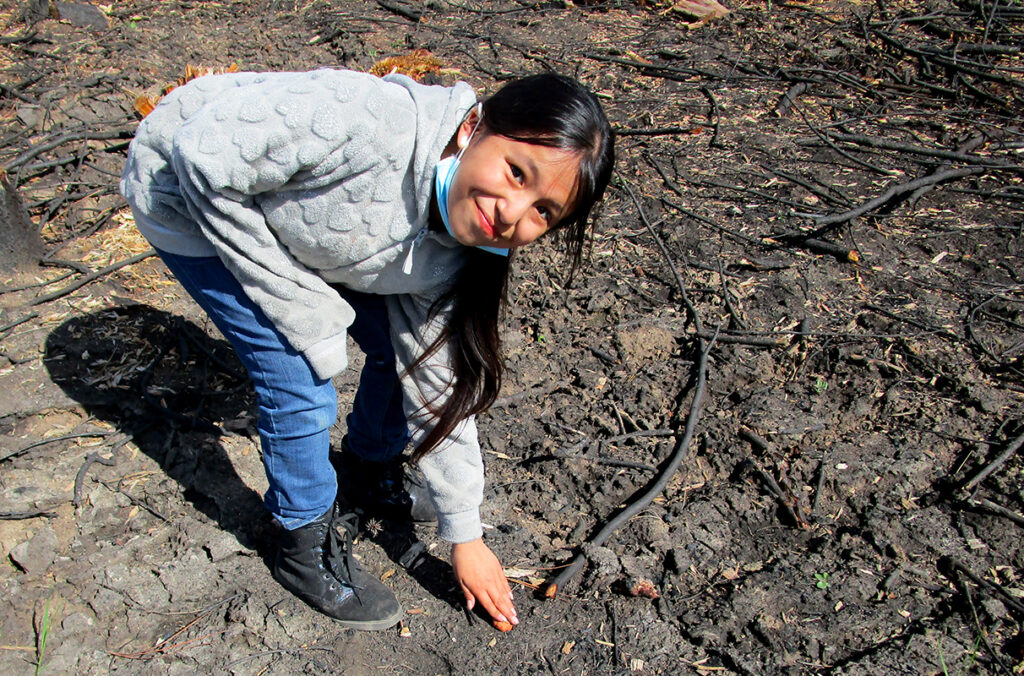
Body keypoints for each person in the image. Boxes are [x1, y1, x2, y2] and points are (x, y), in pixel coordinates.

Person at [120, 67, 614, 631]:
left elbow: (439, 381)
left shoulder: (459, 251)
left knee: (396, 350)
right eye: (516, 172)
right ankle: (301, 541)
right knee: (298, 373)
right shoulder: (367, 126)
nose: (511, 212)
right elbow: (203, 154)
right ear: (472, 126)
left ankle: (368, 466)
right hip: (189, 192)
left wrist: (465, 533)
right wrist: (306, 307)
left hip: (297, 219)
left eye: (543, 212)